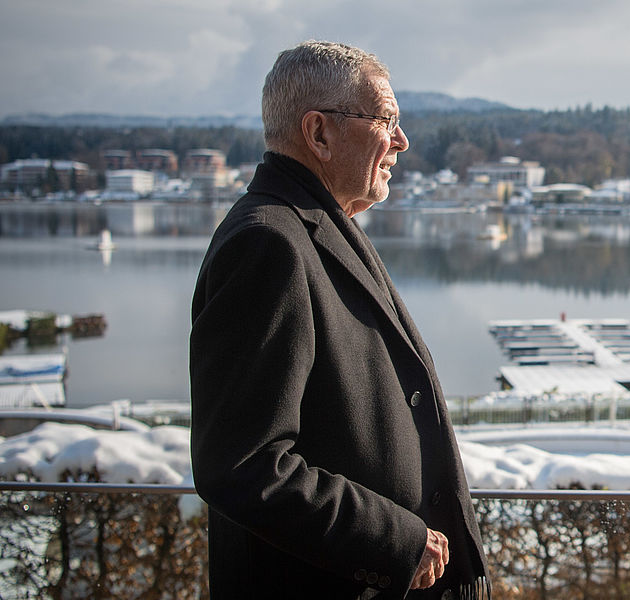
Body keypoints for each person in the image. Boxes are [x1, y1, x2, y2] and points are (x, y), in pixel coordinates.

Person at [190, 40, 490, 599]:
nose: (402, 141)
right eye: (386, 120)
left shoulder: (315, 227)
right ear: (319, 133)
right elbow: (244, 465)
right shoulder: (268, 244)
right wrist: (395, 541)